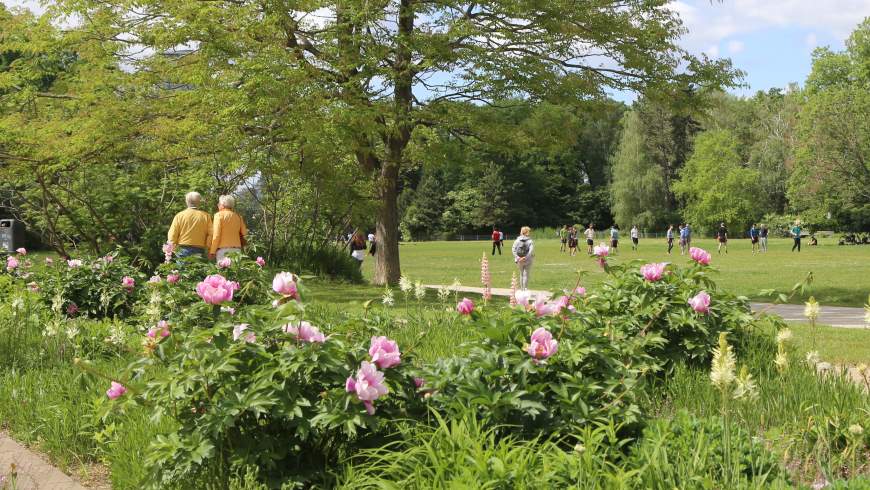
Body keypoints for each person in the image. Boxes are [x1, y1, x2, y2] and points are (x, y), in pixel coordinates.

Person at [167, 191, 212, 261]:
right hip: (199, 250)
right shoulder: (206, 216)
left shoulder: (179, 215)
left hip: (182, 250)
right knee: (197, 271)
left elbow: (172, 234)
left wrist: (172, 248)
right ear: (199, 202)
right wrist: (207, 247)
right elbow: (211, 234)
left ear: (186, 202)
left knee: (182, 272)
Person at [210, 195, 248, 262]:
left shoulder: (218, 215)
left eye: (219, 203)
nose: (218, 205)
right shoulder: (238, 217)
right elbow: (245, 234)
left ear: (223, 204)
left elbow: (216, 235)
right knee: (235, 272)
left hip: (223, 251)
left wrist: (212, 251)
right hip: (237, 250)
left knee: (222, 272)